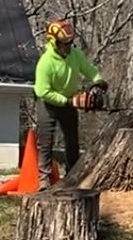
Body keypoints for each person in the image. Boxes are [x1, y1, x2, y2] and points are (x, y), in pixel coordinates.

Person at [33, 18, 107, 188]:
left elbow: (88, 69)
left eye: (70, 43)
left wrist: (98, 81)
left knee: (72, 140)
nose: (68, 47)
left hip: (69, 102)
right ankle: (44, 179)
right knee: (46, 142)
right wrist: (67, 101)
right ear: (54, 43)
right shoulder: (46, 62)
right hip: (48, 103)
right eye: (64, 44)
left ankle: (72, 174)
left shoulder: (75, 54)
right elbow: (42, 91)